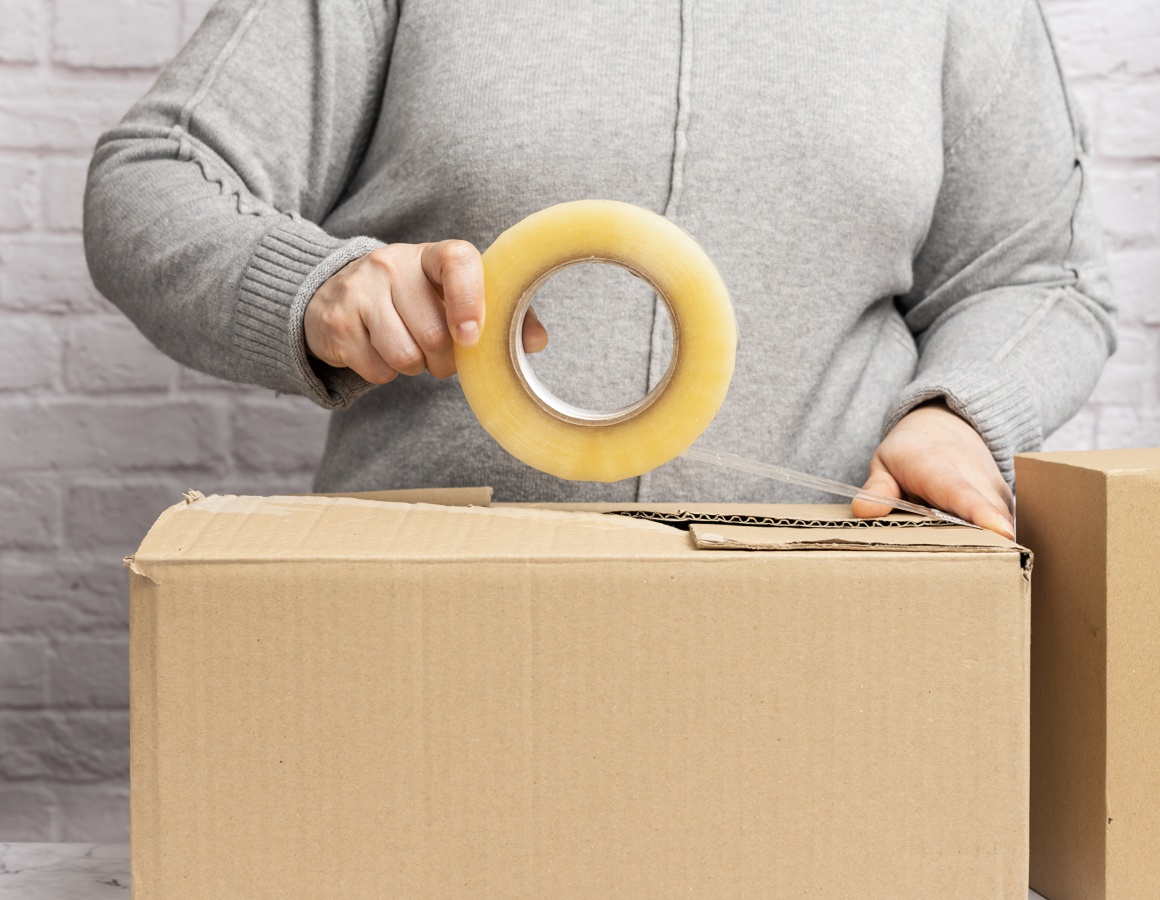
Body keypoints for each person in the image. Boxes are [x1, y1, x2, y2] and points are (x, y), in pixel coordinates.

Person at [83, 0, 1116, 540]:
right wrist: (317, 291)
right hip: (426, 626)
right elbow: (155, 178)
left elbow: (1035, 274)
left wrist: (957, 412)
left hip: (818, 629)